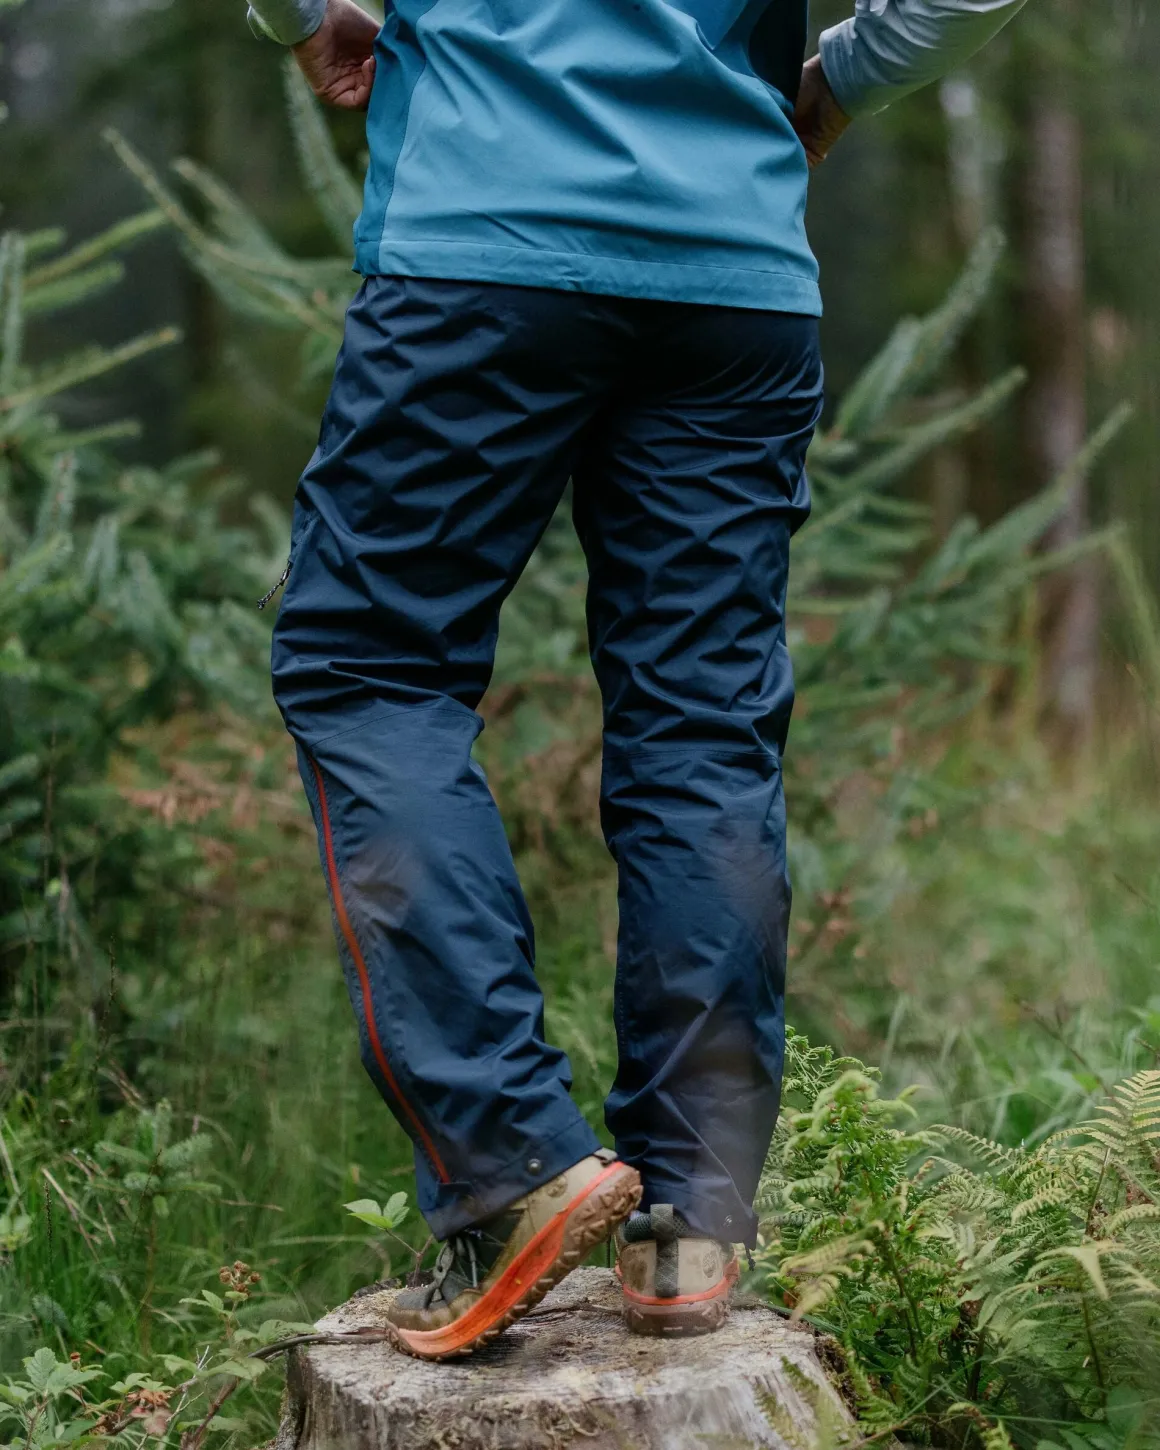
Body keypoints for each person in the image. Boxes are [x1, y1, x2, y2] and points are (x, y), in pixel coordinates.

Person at [250, 0, 1027, 1359]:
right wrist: (845, 76)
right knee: (703, 726)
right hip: (734, 274)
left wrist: (305, 14)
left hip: (476, 248)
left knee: (366, 665)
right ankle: (690, 1216)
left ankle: (508, 1162)